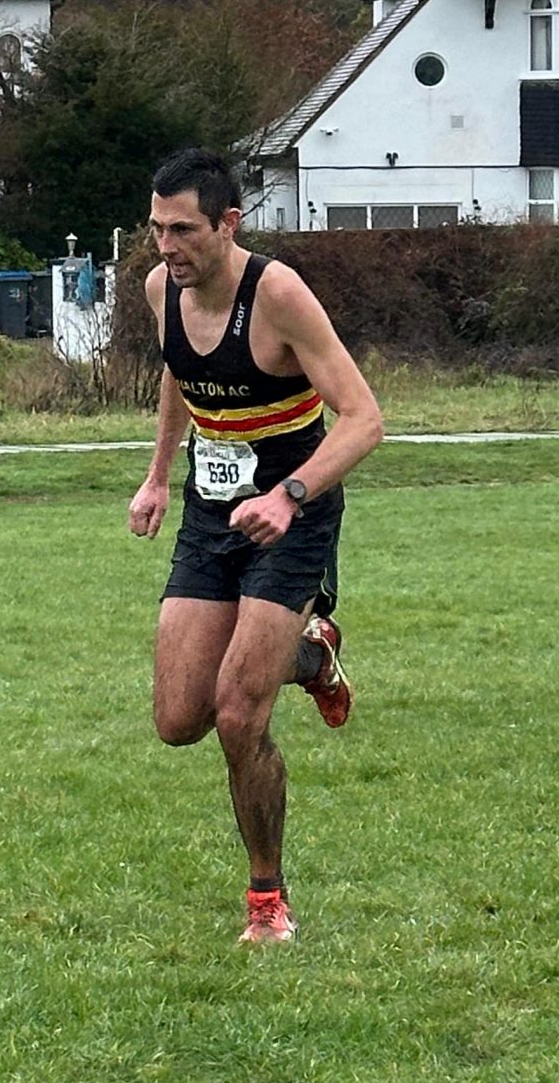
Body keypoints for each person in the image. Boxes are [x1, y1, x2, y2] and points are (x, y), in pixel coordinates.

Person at [129, 148, 384, 941]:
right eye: (157, 228)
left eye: (183, 230)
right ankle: (310, 656)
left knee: (239, 715)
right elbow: (178, 376)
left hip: (293, 512)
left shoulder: (277, 295)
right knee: (179, 718)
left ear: (228, 224)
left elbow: (364, 419)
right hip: (212, 514)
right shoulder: (160, 291)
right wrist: (157, 477)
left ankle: (267, 901)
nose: (166, 247)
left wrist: (289, 494)